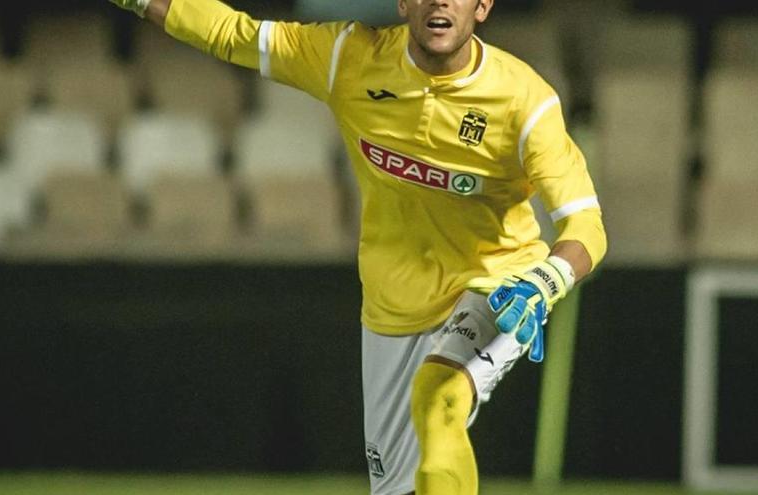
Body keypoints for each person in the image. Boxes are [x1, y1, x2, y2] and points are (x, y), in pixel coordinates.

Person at [108, 0, 607, 494]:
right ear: (404, 3)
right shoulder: (347, 57)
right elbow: (233, 33)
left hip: (497, 287)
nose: (439, 1)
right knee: (396, 488)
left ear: (482, 7)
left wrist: (544, 283)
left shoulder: (525, 101)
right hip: (393, 302)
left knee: (440, 398)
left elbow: (586, 225)